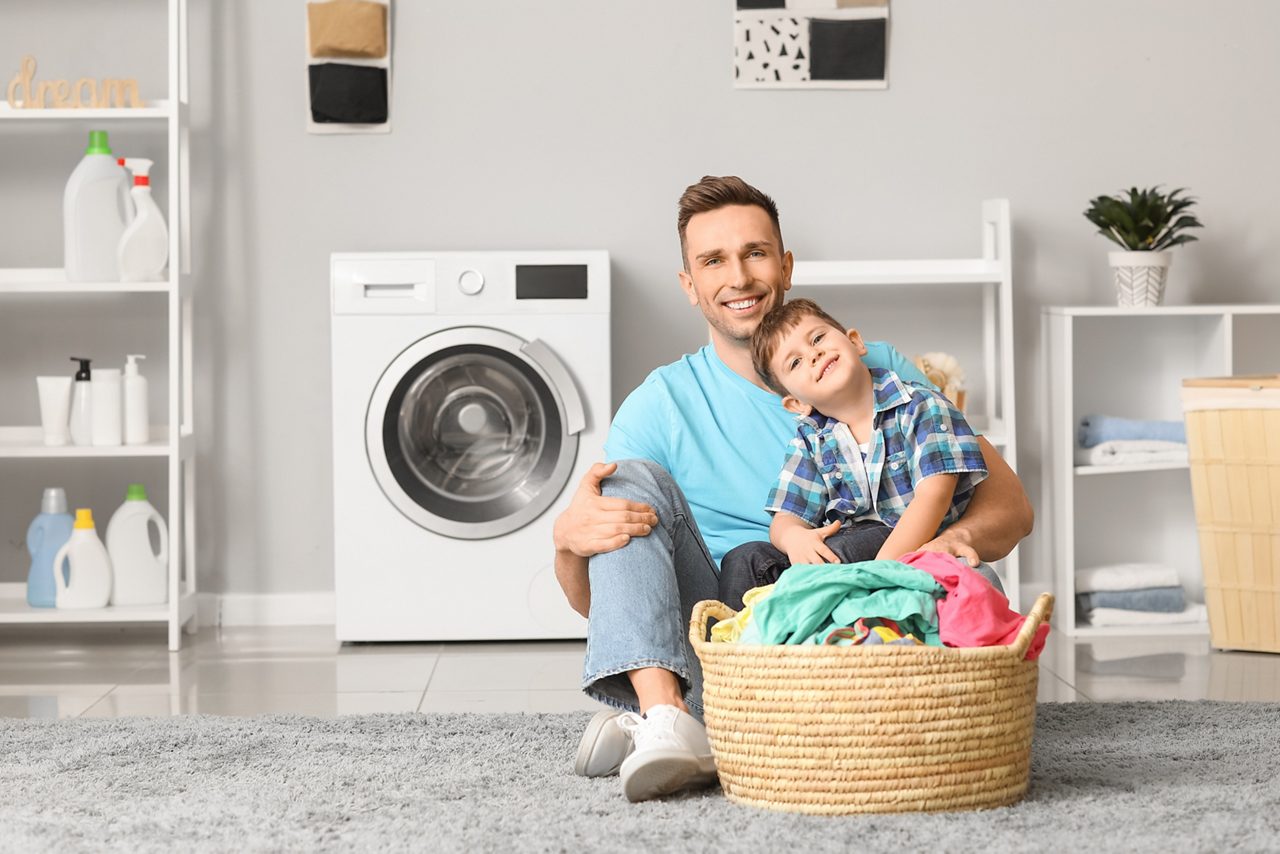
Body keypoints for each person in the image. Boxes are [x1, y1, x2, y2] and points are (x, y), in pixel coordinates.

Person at [553, 176, 1033, 803]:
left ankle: (880, 729)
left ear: (785, 264)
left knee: (975, 583)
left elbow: (1011, 506)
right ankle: (667, 712)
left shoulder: (876, 368)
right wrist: (567, 545)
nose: (739, 277)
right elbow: (615, 602)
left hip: (870, 598)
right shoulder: (659, 404)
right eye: (712, 261)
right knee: (630, 485)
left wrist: (947, 543)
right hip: (729, 628)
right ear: (689, 284)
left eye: (755, 253)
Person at [715, 298, 994, 612]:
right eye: (795, 362)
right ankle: (738, 652)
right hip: (843, 548)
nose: (814, 354)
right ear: (796, 403)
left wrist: (877, 574)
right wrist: (795, 538)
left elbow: (933, 497)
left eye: (818, 338)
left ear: (855, 342)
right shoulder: (812, 438)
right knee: (744, 559)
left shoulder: (920, 405)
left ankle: (807, 623)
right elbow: (785, 517)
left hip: (907, 540)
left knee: (842, 550)